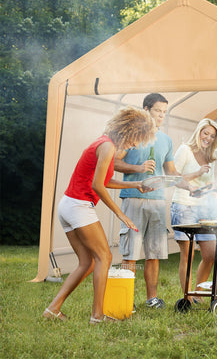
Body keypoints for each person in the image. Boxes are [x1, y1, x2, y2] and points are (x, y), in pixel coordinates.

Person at [43, 107, 156, 324]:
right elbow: (97, 185)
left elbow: (102, 180)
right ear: (129, 131)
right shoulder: (108, 147)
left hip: (67, 205)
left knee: (87, 262)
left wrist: (136, 184)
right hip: (78, 206)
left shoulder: (102, 142)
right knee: (105, 257)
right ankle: (97, 316)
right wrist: (120, 213)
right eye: (136, 140)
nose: (134, 145)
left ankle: (53, 308)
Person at [115, 93, 190, 309]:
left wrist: (191, 187)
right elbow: (113, 162)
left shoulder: (166, 140)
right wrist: (138, 168)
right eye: (158, 111)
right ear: (146, 109)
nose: (161, 116)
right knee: (130, 253)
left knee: (154, 253)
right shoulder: (131, 135)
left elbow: (172, 172)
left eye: (164, 112)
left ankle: (152, 299)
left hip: (157, 202)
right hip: (133, 199)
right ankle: (126, 300)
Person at [170, 118, 217, 303]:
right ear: (198, 132)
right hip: (183, 206)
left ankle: (197, 294)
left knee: (212, 254)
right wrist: (197, 173)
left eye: (212, 136)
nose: (208, 138)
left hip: (204, 209)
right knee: (188, 255)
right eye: (206, 133)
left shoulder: (210, 157)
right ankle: (187, 298)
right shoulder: (185, 150)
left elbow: (208, 184)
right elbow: (173, 177)